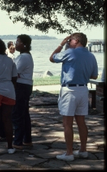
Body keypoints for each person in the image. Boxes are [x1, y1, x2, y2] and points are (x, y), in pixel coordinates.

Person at [49, 32, 98, 161]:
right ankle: (83, 149)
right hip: (83, 89)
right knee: (81, 122)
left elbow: (52, 58)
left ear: (76, 41)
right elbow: (94, 76)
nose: (68, 42)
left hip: (69, 89)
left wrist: (61, 44)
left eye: (70, 40)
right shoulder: (91, 56)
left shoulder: (70, 53)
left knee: (67, 123)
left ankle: (69, 152)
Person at [12, 34, 34, 150]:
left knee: (18, 114)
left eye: (18, 42)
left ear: (24, 44)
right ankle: (27, 139)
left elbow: (15, 71)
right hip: (25, 86)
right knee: (24, 113)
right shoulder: (24, 56)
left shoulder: (24, 57)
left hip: (21, 86)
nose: (16, 44)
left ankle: (18, 140)